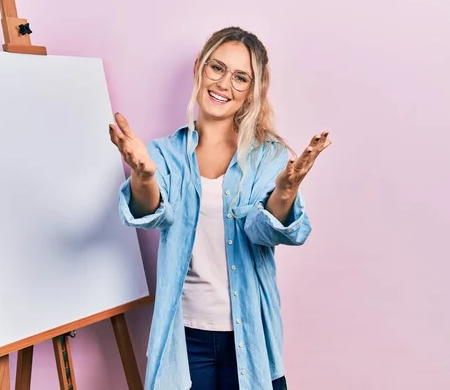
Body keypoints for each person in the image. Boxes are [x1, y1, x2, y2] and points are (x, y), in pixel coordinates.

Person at [109, 26, 331, 390]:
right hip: (184, 337)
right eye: (217, 68)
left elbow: (261, 230)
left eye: (240, 77)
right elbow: (153, 213)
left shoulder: (267, 155)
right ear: (199, 68)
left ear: (251, 92)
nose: (224, 84)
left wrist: (287, 190)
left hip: (250, 333)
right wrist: (144, 174)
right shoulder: (164, 153)